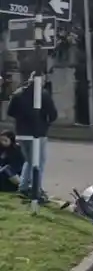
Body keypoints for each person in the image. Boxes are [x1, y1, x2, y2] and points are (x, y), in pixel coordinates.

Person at [7, 71, 57, 199]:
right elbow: (53, 114)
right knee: (38, 163)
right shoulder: (43, 94)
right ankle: (36, 190)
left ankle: (23, 186)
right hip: (37, 133)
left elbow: (10, 112)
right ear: (42, 80)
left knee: (29, 161)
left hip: (21, 133)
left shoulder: (18, 93)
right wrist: (45, 124)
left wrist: (22, 119)